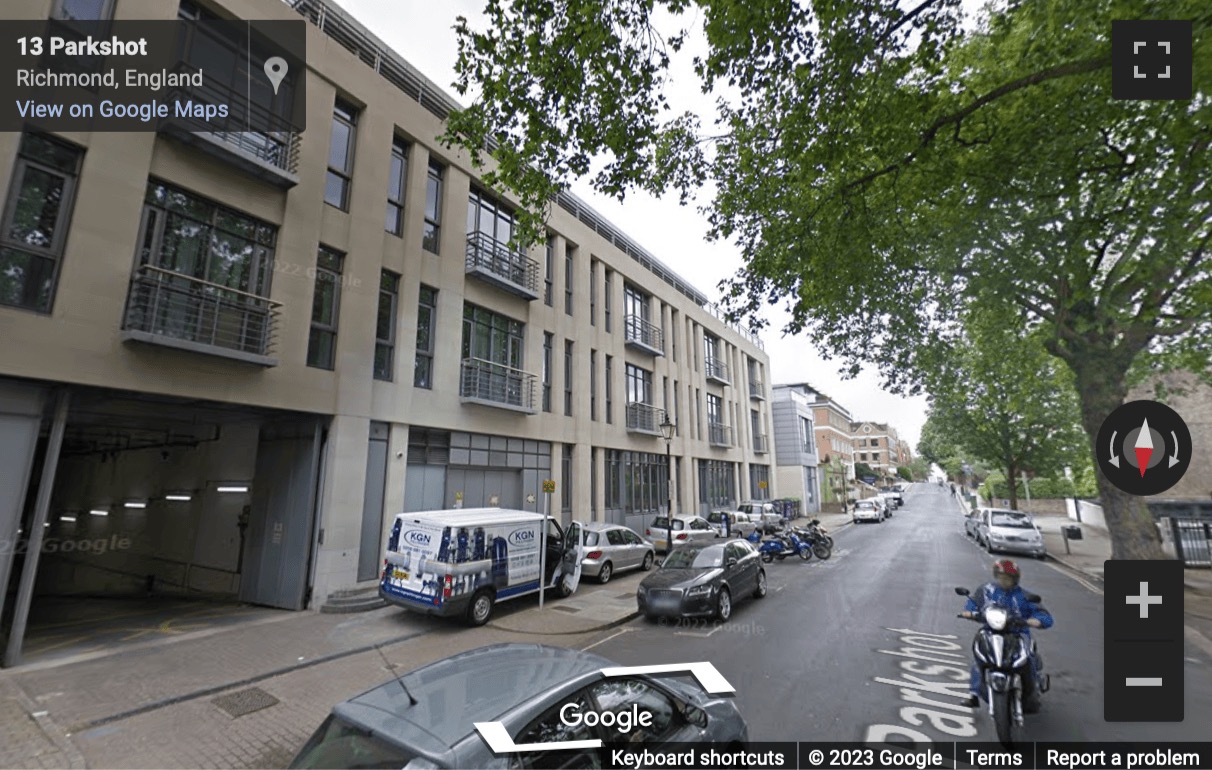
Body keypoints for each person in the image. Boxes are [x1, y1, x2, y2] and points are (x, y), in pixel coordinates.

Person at [960, 559, 1053, 711]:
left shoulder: (1024, 596)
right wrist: (969, 613)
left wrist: (1035, 621)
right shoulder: (986, 591)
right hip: (991, 631)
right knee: (980, 657)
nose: (1005, 581)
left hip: (1017, 633)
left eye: (1008, 578)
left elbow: (1044, 616)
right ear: (996, 576)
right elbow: (973, 605)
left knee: (1026, 657)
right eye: (1002, 577)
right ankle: (974, 693)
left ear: (1015, 579)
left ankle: (1033, 690)